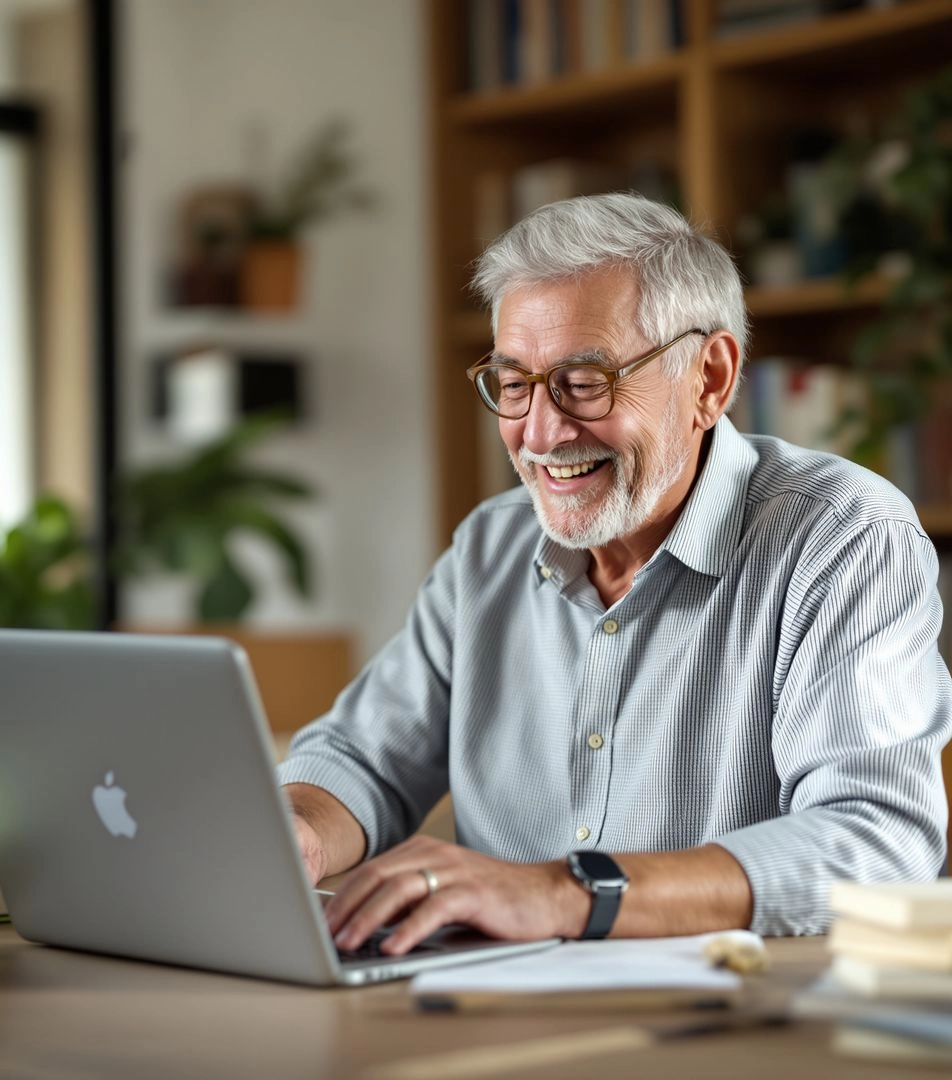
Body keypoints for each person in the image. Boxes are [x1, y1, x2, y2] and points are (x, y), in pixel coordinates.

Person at [276, 192, 951, 956]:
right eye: (515, 383)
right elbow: (362, 760)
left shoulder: (841, 537)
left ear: (710, 378)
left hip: (733, 1022)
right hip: (489, 1011)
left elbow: (874, 846)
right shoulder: (488, 549)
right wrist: (296, 833)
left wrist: (567, 893)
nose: (541, 432)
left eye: (585, 381)